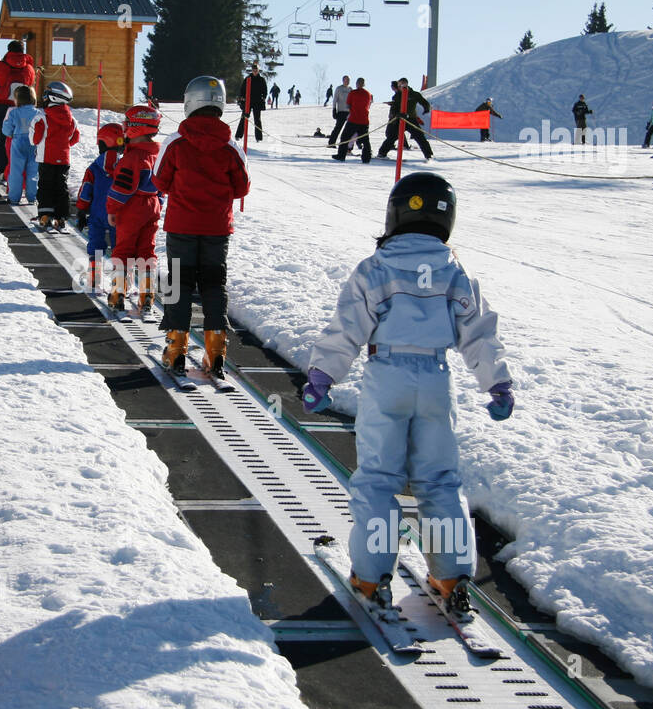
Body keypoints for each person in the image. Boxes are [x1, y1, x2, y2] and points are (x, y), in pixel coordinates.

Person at [300, 172, 514, 615]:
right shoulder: (456, 270)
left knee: (380, 479)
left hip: (387, 375)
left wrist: (323, 376)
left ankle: (372, 574)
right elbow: (478, 332)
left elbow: (347, 328)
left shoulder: (376, 268)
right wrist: (496, 382)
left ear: (395, 214)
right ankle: (452, 573)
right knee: (440, 479)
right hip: (436, 377)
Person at [155, 76, 250, 380]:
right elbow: (242, 187)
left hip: (181, 226)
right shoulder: (230, 146)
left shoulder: (176, 142)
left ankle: (175, 349)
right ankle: (216, 351)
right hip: (216, 229)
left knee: (179, 284)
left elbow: (159, 179)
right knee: (213, 284)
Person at [105, 104, 164, 315]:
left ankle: (117, 294)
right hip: (153, 205)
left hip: (131, 207)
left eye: (128, 123)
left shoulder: (132, 158)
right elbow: (162, 184)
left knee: (123, 250)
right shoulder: (158, 155)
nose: (125, 127)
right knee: (147, 251)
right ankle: (146, 296)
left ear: (136, 127)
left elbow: (122, 188)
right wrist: (159, 202)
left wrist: (112, 209)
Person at [75, 122, 125, 290]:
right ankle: (121, 281)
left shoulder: (94, 168)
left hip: (96, 214)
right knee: (119, 248)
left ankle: (94, 278)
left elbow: (85, 190)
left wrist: (81, 210)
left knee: (96, 244)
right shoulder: (125, 166)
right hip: (118, 215)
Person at [30, 81, 80, 230]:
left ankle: (45, 216)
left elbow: (34, 139)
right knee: (61, 187)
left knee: (45, 186)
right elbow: (74, 138)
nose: (44, 98)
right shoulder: (71, 119)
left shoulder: (42, 117)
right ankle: (61, 218)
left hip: (46, 158)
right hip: (63, 159)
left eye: (46, 95)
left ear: (54, 98)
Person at [0, 41, 37, 178]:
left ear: (9, 50)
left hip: (3, 105)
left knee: (3, 136)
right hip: (22, 106)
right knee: (22, 137)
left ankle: (3, 169)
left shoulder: (0, 66)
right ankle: (19, 170)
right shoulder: (29, 68)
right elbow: (30, 84)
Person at [2, 84, 42, 205]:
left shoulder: (14, 112)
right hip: (34, 143)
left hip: (18, 142)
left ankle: (14, 197)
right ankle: (32, 196)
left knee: (16, 171)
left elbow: (6, 129)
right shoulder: (38, 112)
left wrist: (11, 134)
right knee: (33, 171)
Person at [377, 78, 433, 160]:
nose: (401, 87)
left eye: (402, 85)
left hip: (411, 119)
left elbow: (424, 102)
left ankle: (429, 155)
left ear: (406, 84)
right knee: (392, 137)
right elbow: (394, 107)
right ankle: (382, 153)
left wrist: (426, 108)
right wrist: (396, 115)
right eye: (399, 85)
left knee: (420, 137)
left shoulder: (414, 94)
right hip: (399, 119)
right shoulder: (397, 96)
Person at [333, 77, 372, 162]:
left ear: (357, 84)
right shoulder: (368, 94)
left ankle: (341, 155)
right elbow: (368, 105)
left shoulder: (353, 93)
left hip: (354, 119)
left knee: (345, 137)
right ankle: (366, 157)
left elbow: (348, 105)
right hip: (364, 120)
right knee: (365, 140)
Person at [235, 63, 267, 142]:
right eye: (253, 70)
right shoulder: (248, 78)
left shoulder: (261, 80)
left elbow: (265, 90)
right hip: (248, 101)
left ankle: (259, 137)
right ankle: (239, 135)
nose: (255, 71)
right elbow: (242, 89)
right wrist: (241, 97)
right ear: (252, 70)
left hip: (257, 102)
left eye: (256, 70)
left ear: (258, 70)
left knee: (257, 119)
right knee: (244, 118)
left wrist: (263, 97)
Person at [327, 75, 352, 146]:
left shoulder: (350, 89)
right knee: (338, 128)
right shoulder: (339, 88)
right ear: (343, 80)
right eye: (346, 80)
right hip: (341, 111)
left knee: (349, 129)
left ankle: (345, 144)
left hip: (349, 112)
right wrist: (334, 109)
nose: (347, 81)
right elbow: (335, 99)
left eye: (348, 80)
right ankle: (331, 143)